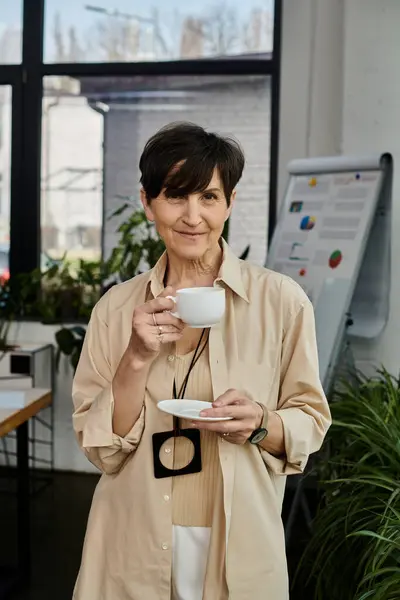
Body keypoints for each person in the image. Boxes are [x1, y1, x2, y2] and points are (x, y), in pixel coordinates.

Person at [72, 122, 331, 600]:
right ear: (148, 203)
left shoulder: (281, 302)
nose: (194, 216)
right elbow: (102, 451)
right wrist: (136, 357)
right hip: (133, 540)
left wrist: (259, 422)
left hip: (239, 542)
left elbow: (309, 423)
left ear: (229, 204)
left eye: (209, 197)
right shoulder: (115, 309)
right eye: (176, 196)